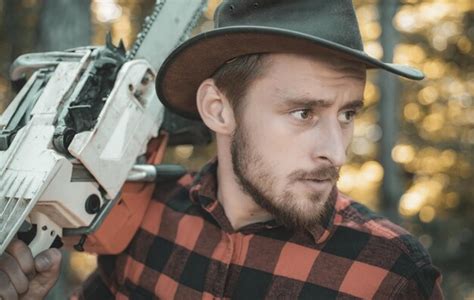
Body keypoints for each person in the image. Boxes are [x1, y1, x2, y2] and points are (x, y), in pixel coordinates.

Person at [0, 0, 443, 299]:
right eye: (304, 113)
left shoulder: (389, 272)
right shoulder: (145, 222)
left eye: (347, 114)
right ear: (218, 109)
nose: (337, 153)